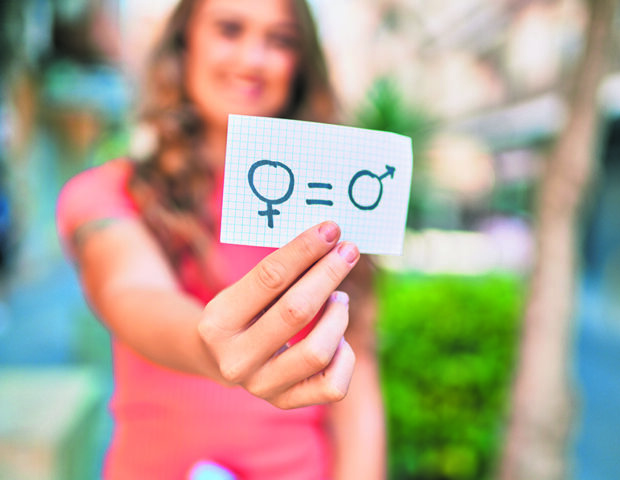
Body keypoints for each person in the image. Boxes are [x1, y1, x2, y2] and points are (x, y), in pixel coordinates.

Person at [55, 0, 385, 478]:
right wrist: (213, 346)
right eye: (230, 30)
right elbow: (131, 291)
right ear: (183, 44)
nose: (253, 59)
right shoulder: (107, 192)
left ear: (300, 64)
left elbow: (359, 390)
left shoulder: (334, 201)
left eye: (281, 40)